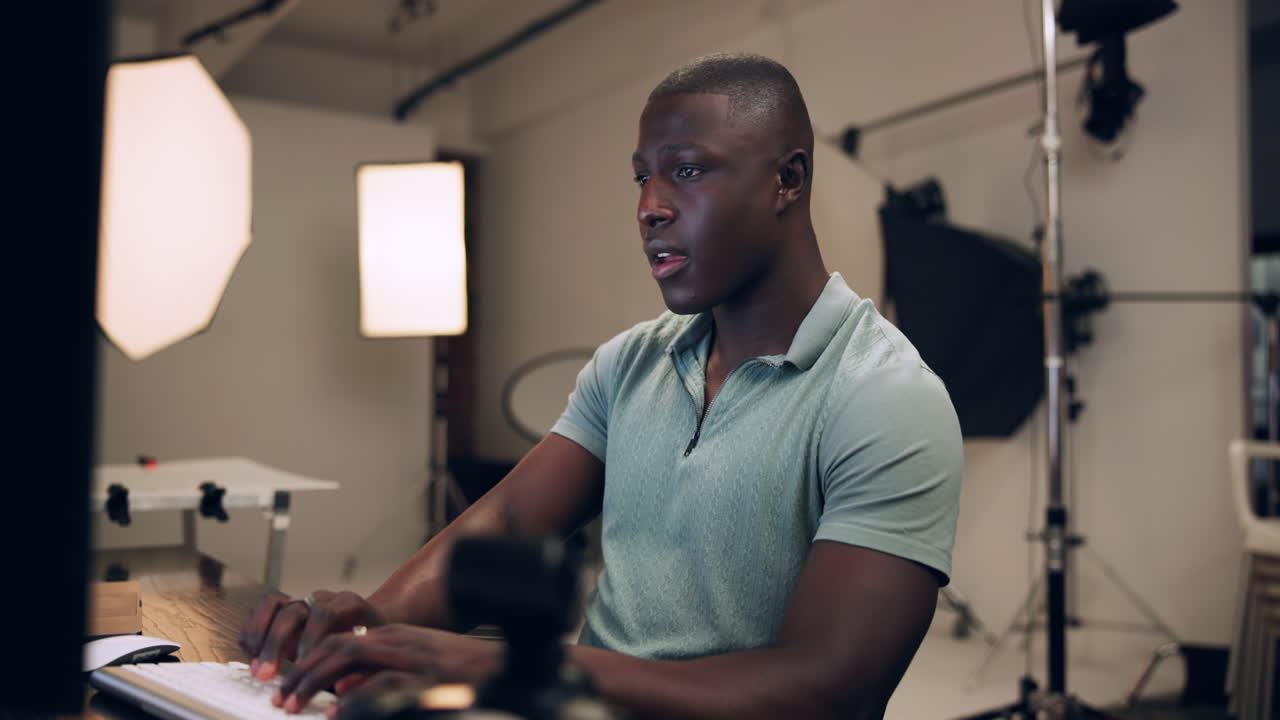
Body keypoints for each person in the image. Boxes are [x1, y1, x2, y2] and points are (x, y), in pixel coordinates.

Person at [240, 52, 963, 720]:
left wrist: (505, 661)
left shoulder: (886, 399)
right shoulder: (628, 365)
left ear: (788, 180)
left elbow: (823, 691)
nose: (649, 205)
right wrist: (362, 622)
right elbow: (506, 526)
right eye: (641, 175)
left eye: (686, 170)